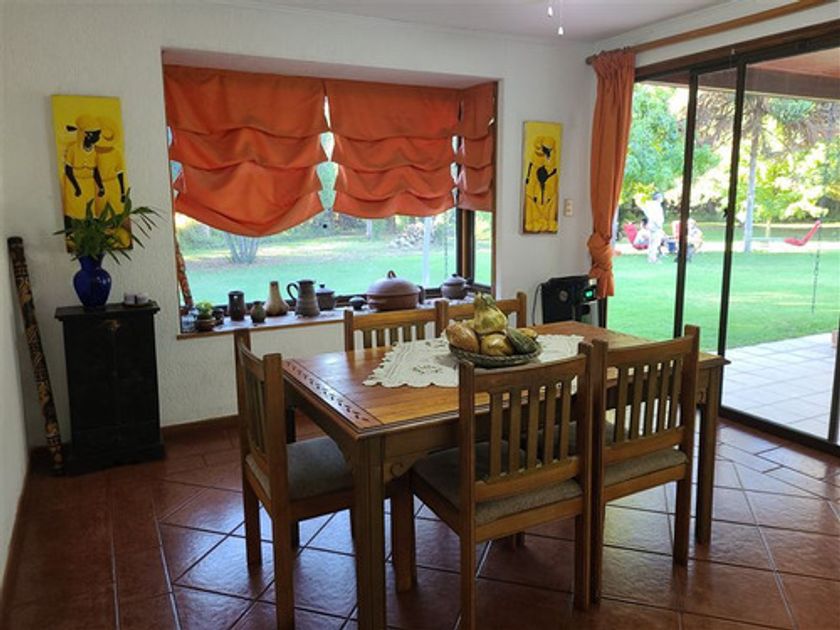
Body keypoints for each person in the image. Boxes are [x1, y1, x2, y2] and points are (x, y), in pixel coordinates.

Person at [640, 192, 665, 263]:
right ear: (658, 198)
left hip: (652, 225)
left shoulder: (650, 205)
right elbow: (655, 217)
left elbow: (646, 211)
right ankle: (653, 258)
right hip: (655, 226)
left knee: (652, 242)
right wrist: (658, 225)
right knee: (655, 243)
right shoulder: (656, 206)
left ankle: (651, 258)